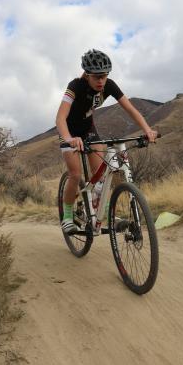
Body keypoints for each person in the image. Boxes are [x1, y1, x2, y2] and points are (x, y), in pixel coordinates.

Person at [55, 48, 158, 234]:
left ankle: (98, 211)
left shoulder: (109, 85)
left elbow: (131, 110)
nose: (101, 80)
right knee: (76, 174)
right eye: (97, 77)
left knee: (99, 177)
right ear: (87, 75)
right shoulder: (76, 86)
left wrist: (147, 130)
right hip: (69, 132)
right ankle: (68, 215)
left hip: (88, 131)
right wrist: (69, 139)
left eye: (104, 76)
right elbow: (60, 118)